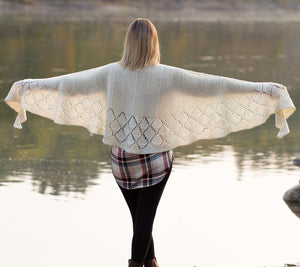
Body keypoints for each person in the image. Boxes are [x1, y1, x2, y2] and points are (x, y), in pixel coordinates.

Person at [5, 18, 295, 267]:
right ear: (154, 43)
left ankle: (152, 263)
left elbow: (67, 85)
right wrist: (266, 90)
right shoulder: (167, 75)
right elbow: (216, 86)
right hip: (155, 158)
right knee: (143, 225)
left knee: (140, 223)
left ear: (128, 43)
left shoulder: (109, 73)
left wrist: (27, 86)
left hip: (121, 160)